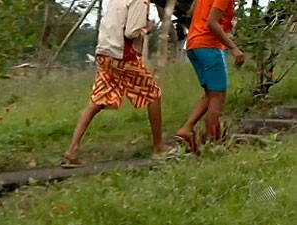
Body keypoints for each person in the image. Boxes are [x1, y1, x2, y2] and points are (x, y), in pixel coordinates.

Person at [61, 0, 171, 168]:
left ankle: (71, 151)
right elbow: (132, 32)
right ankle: (159, 146)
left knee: (97, 101)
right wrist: (146, 29)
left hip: (104, 51)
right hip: (121, 54)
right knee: (153, 94)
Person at [176, 0, 245, 154]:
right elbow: (212, 23)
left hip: (194, 44)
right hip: (208, 46)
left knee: (211, 93)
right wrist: (233, 48)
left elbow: (193, 10)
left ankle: (187, 128)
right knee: (218, 95)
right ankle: (213, 143)